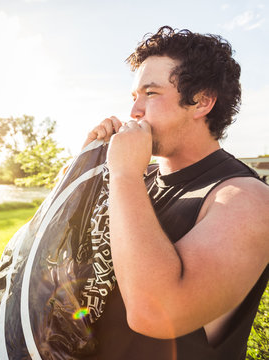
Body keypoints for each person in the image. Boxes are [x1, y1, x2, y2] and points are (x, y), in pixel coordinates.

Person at [82, 26, 269, 359]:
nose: (134, 112)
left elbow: (155, 314)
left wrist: (124, 175)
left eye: (150, 94)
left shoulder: (246, 199)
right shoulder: (143, 176)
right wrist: (86, 171)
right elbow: (72, 263)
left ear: (202, 101)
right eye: (134, 97)